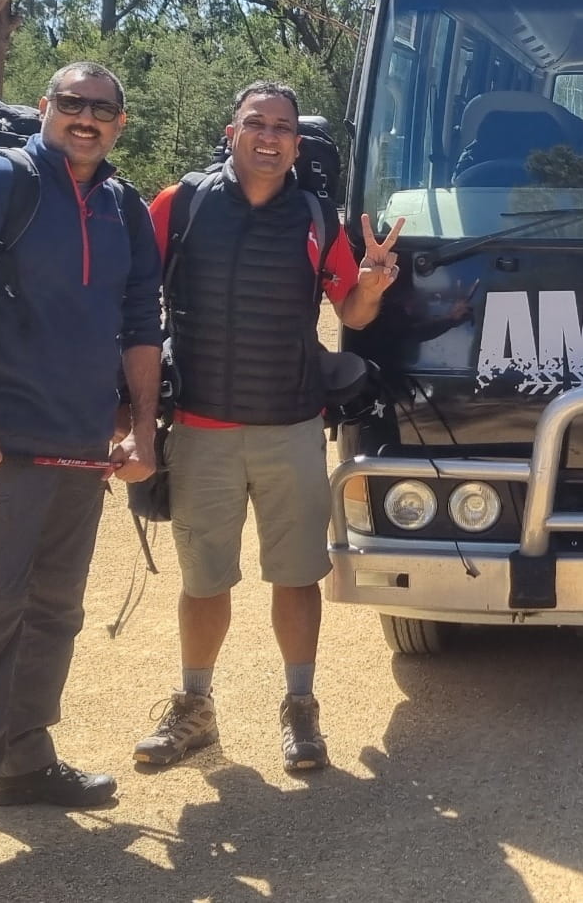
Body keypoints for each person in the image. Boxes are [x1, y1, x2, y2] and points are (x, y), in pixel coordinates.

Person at [0, 61, 163, 885]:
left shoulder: (123, 205)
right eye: (71, 104)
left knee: (54, 613)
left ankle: (23, 764)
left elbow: (137, 319)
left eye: (102, 109)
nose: (86, 118)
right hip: (3, 448)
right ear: (45, 110)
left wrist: (140, 426)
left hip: (84, 447)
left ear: (120, 123)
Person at [132, 80, 402, 773]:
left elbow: (353, 314)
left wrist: (369, 284)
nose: (271, 136)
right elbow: (129, 300)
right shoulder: (180, 203)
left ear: (296, 143)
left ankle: (300, 710)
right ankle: (194, 709)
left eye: (284, 127)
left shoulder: (317, 217)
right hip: (199, 429)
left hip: (290, 427)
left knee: (296, 576)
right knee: (203, 581)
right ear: (233, 132)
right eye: (257, 123)